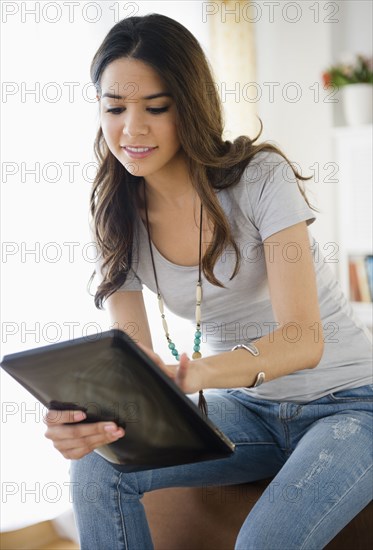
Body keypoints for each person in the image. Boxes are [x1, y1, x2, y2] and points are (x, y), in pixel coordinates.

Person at [44, 13, 373, 550]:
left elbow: (303, 340)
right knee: (96, 468)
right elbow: (134, 364)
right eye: (114, 108)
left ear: (190, 106)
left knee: (262, 541)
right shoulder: (117, 214)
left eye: (156, 108)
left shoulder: (261, 178)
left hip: (349, 404)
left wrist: (193, 376)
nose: (132, 129)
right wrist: (90, 420)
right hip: (247, 412)